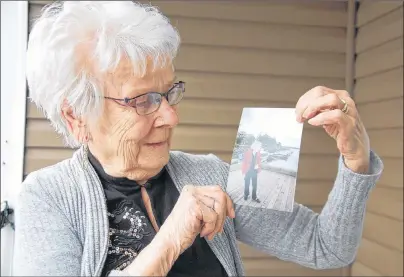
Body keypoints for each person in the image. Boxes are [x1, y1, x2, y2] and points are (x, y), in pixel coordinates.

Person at [13, 2, 384, 276]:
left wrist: (356, 160)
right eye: (143, 100)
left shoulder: (211, 174)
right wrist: (170, 241)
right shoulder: (47, 197)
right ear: (76, 116)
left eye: (169, 92)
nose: (171, 116)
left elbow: (327, 247)